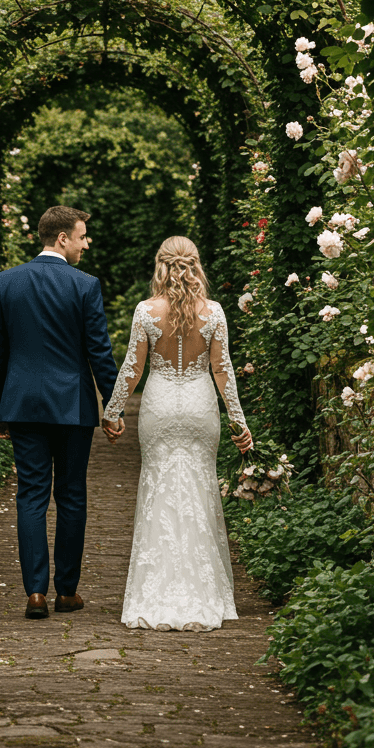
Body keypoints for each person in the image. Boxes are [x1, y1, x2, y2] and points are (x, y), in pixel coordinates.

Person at [103, 236, 253, 632]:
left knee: (158, 488)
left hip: (161, 407)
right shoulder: (215, 312)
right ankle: (205, 594)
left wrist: (112, 411)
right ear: (196, 265)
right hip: (201, 407)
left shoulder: (146, 311)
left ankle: (155, 593)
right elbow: (223, 371)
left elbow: (132, 369)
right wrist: (239, 421)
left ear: (161, 265)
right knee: (200, 489)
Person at [0, 205, 123, 620]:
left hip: (22, 405)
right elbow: (99, 350)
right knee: (71, 495)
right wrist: (112, 407)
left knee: (30, 495)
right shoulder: (84, 285)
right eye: (82, 236)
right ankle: (66, 591)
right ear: (62, 238)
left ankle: (34, 594)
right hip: (72, 406)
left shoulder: (7, 282)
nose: (86, 243)